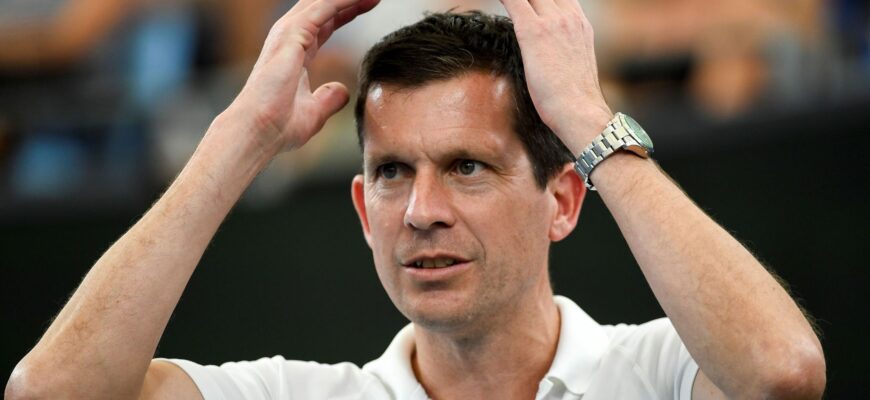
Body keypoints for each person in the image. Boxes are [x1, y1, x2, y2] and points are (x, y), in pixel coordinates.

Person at [5, 0, 826, 399]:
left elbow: (782, 373)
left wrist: (585, 116)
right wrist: (238, 140)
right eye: (393, 172)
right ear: (363, 212)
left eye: (466, 166)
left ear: (565, 201)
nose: (421, 210)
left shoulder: (651, 372)